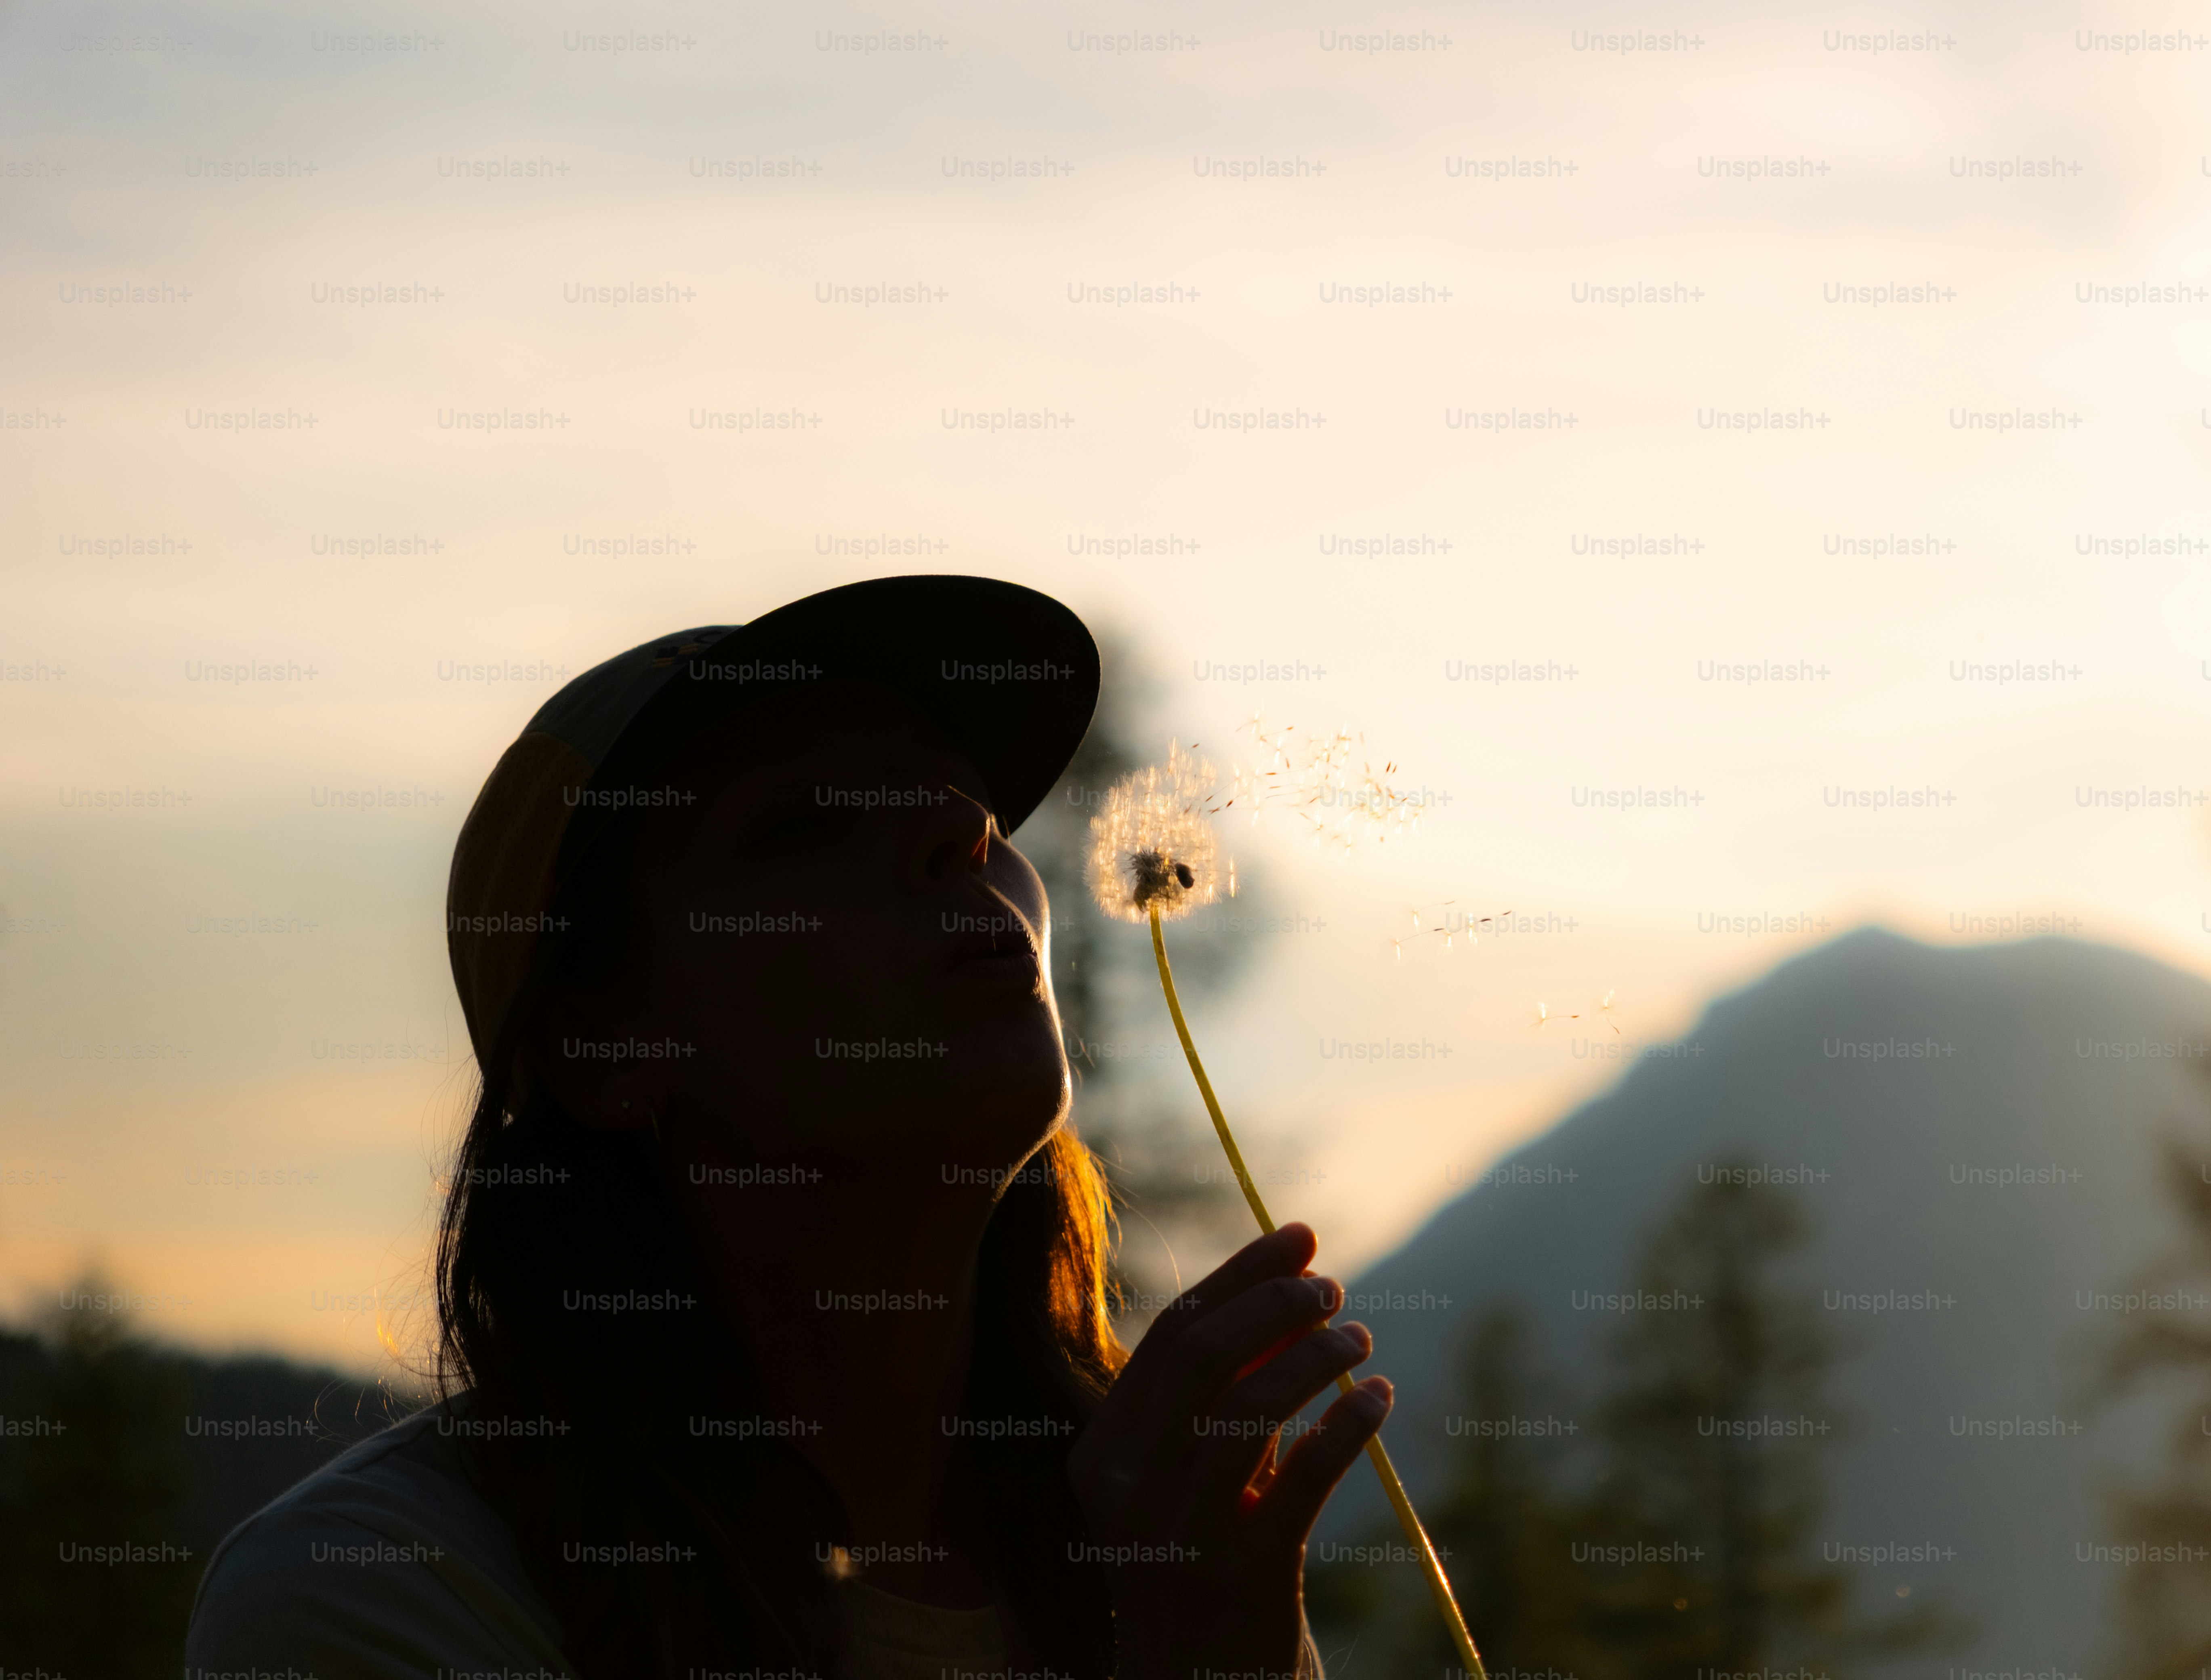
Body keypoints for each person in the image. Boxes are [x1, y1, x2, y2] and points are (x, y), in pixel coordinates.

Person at [185, 576, 1394, 1680]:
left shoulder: (1167, 1547)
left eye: (964, 801)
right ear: (605, 1049)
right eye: (805, 823)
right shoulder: (379, 1595)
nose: (965, 837)